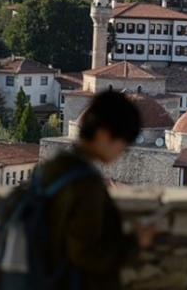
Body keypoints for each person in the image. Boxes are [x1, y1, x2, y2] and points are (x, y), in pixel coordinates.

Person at [41, 91, 155, 289]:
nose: (122, 151)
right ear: (103, 134)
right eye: (123, 142)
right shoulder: (86, 184)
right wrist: (136, 241)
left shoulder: (53, 166)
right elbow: (87, 255)